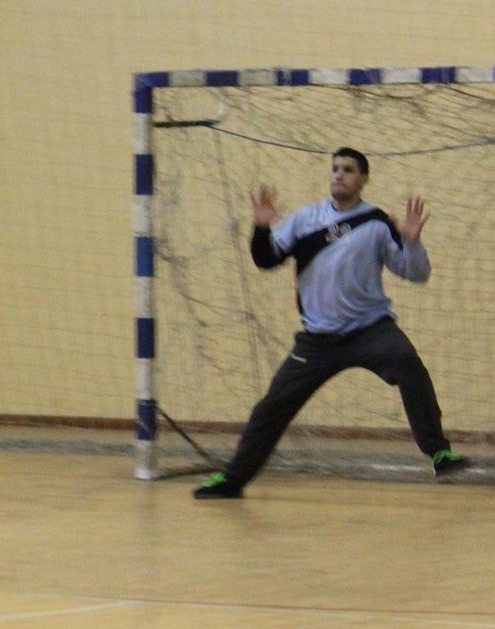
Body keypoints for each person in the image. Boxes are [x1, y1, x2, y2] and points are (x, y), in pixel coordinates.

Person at [193, 148, 467, 499]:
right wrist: (261, 228)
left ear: (363, 178)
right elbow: (265, 259)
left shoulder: (377, 222)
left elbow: (416, 273)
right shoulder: (304, 219)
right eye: (335, 169)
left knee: (407, 363)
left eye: (348, 170)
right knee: (271, 407)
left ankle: (439, 452)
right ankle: (233, 480)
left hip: (370, 330)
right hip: (318, 340)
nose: (339, 175)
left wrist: (412, 242)